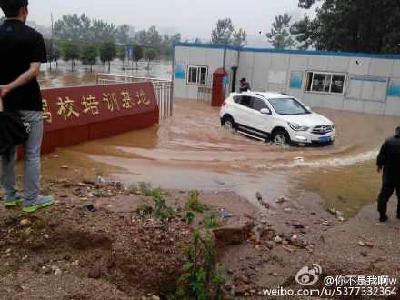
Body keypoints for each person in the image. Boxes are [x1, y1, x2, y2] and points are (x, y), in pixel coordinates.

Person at [0, 0, 54, 213]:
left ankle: (10, 196)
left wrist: (3, 91)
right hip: (30, 104)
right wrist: (10, 86)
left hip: (4, 106)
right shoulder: (34, 37)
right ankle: (31, 200)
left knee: (6, 151)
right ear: (24, 10)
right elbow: (34, 71)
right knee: (32, 153)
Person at [376, 126, 400, 222]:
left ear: (396, 132)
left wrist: (379, 165)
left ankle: (382, 216)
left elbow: (381, 155)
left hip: (389, 174)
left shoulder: (389, 141)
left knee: (384, 195)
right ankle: (399, 214)